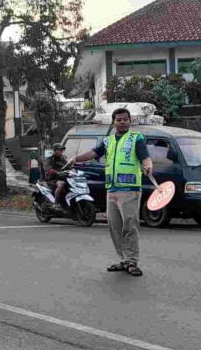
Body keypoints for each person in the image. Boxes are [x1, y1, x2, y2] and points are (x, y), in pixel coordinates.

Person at [69, 108, 152, 277]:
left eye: (125, 119)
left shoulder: (137, 138)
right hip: (111, 189)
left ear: (130, 121)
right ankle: (124, 259)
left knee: (130, 225)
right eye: (119, 119)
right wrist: (76, 158)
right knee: (115, 227)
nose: (122, 122)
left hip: (130, 189)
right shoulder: (108, 141)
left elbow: (145, 157)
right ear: (113, 122)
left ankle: (132, 261)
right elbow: (93, 153)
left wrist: (148, 165)